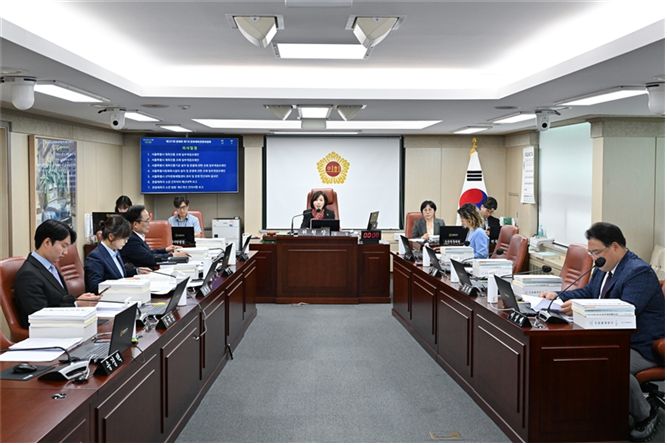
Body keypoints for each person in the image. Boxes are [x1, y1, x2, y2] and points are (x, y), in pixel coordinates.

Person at [540, 222, 664, 441]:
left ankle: (646, 414)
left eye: (596, 252)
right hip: (611, 339)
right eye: (591, 252)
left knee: (606, 363)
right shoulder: (603, 268)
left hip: (640, 345)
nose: (593, 257)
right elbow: (589, 292)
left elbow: (625, 310)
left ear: (615, 246)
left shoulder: (638, 272)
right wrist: (559, 297)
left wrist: (582, 308)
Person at [14, 220, 99, 328]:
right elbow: (40, 316)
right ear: (47, 242)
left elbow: (59, 300)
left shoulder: (50, 266)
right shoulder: (28, 275)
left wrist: (79, 301)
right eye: (63, 246)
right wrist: (76, 305)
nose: (66, 252)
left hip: (66, 325)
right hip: (49, 332)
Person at [85, 215, 151, 293]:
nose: (126, 242)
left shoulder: (115, 251)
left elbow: (119, 274)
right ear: (111, 236)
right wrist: (123, 282)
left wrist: (136, 271)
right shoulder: (95, 257)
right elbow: (95, 287)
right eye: (124, 239)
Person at [120, 205, 187, 269]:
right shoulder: (131, 240)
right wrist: (173, 255)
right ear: (135, 224)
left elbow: (148, 253)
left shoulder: (136, 236)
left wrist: (165, 250)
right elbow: (149, 258)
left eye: (149, 219)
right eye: (147, 221)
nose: (149, 223)